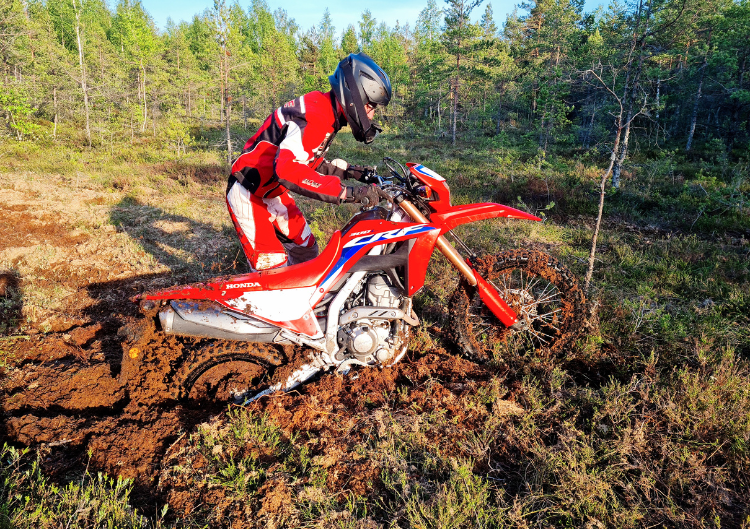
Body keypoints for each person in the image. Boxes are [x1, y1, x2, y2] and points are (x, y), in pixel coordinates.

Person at [226, 52, 392, 271]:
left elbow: (307, 158)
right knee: (273, 268)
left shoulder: (324, 108)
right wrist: (349, 193)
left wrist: (352, 172)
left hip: (270, 192)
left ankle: (302, 301)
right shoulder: (318, 117)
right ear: (356, 98)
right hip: (248, 192)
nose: (370, 116)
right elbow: (286, 169)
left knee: (307, 251)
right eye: (370, 107)